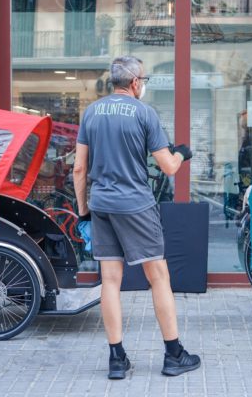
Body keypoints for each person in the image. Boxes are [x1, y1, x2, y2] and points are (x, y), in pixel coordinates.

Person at [73, 55, 201, 379]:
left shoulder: (91, 113)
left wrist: (83, 212)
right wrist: (182, 152)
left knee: (110, 282)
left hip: (101, 205)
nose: (142, 85)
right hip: (136, 205)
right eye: (143, 80)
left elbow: (78, 169)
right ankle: (174, 354)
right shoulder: (145, 113)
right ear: (134, 83)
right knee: (158, 276)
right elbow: (168, 166)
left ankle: (117, 360)